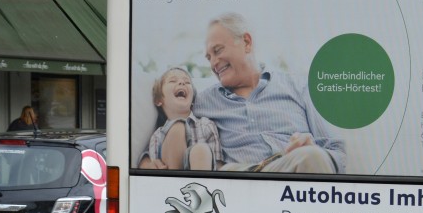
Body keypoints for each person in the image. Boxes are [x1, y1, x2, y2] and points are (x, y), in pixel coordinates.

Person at [193, 12, 346, 173]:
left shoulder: (299, 87)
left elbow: (338, 152)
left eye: (218, 50)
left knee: (312, 156)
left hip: (295, 171)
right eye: (209, 58)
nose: (213, 63)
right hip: (241, 176)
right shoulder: (202, 102)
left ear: (246, 42)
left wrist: (313, 150)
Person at [141, 67, 221, 170]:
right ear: (159, 100)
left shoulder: (206, 125)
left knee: (200, 150)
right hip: (169, 170)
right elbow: (155, 165)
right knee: (177, 127)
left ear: (192, 101)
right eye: (172, 81)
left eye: (187, 82)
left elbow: (217, 165)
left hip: (202, 171)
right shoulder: (158, 135)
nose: (182, 83)